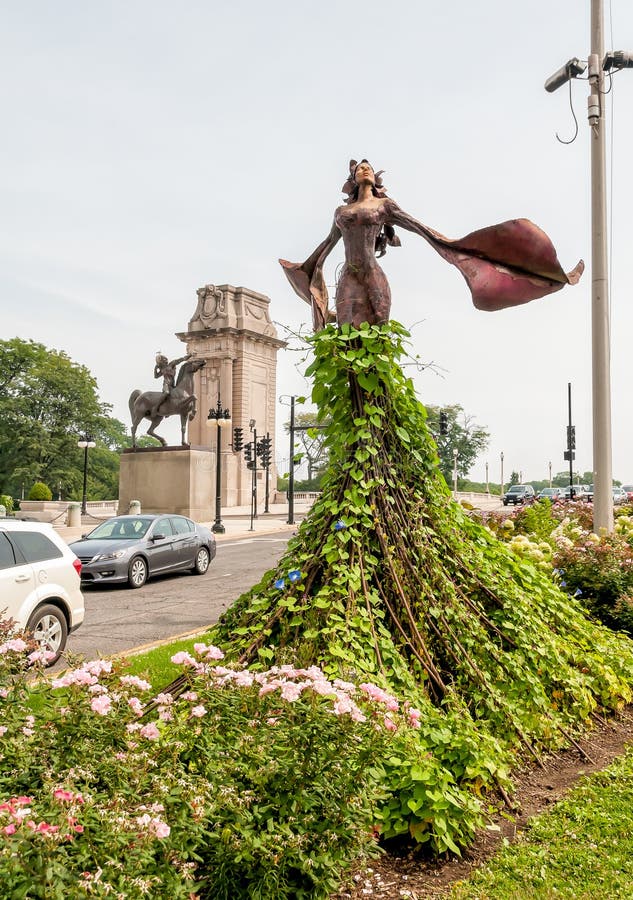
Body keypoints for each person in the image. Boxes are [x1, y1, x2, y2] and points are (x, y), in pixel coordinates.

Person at [279, 158, 584, 331]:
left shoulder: (385, 206)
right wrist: (304, 270)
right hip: (349, 277)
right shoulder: (342, 212)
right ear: (353, 177)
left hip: (373, 275)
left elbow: (422, 230)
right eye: (359, 168)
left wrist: (457, 247)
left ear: (375, 177)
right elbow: (328, 244)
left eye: (368, 166)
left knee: (379, 335)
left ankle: (550, 275)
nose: (365, 169)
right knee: (347, 337)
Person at [150, 352, 192, 419]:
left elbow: (181, 359)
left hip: (172, 385)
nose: (166, 360)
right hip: (166, 384)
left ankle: (169, 409)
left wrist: (190, 355)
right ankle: (155, 407)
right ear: (161, 362)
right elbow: (156, 376)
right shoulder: (162, 369)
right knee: (166, 393)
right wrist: (155, 368)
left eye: (165, 359)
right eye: (163, 360)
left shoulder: (171, 364)